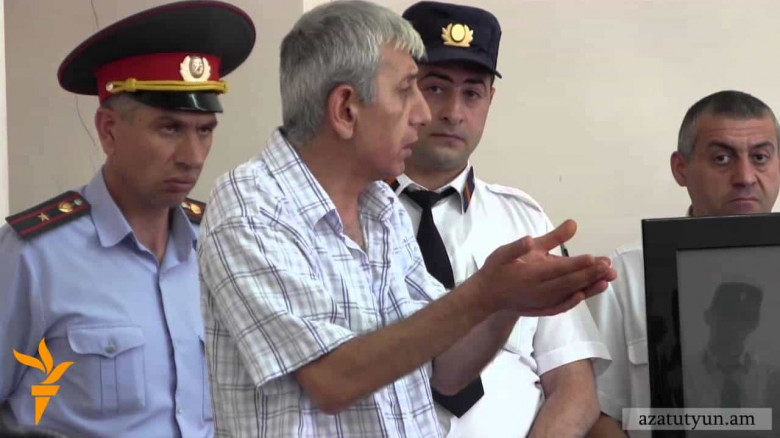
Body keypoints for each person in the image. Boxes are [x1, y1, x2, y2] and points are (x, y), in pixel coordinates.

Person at [198, 1, 615, 436]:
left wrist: (506, 301)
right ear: (346, 109)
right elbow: (332, 380)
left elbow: (445, 370)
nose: (424, 114)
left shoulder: (379, 207)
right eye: (408, 90)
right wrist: (484, 292)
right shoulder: (252, 205)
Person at [0, 2, 255, 436]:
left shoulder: (221, 243)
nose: (193, 157)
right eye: (169, 129)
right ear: (108, 130)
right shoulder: (35, 256)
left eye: (205, 130)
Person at [385, 2, 611, 437]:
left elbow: (573, 386)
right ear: (402, 91)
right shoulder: (345, 218)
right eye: (435, 88)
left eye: (472, 93)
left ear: (490, 100)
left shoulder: (524, 223)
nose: (453, 112)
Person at [587, 90, 780, 437]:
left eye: (760, 157)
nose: (746, 176)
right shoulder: (624, 277)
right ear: (681, 168)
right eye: (722, 158)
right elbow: (599, 414)